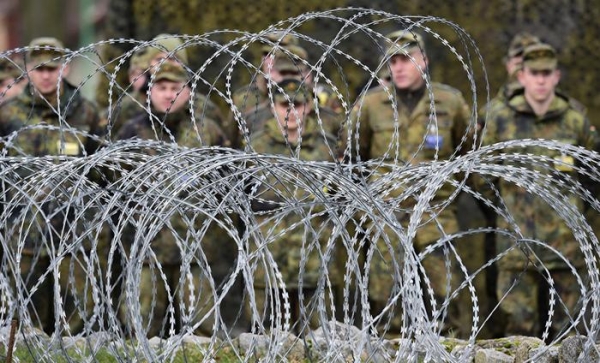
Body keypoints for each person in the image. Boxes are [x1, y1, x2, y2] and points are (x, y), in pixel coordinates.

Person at [347, 30, 472, 337]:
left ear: (424, 61)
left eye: (406, 59)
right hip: (385, 220)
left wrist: (447, 197)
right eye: (393, 60)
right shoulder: (371, 105)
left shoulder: (450, 103)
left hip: (435, 218)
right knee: (384, 308)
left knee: (441, 306)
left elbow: (468, 156)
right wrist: (367, 211)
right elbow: (351, 160)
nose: (399, 67)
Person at [482, 43, 595, 340]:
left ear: (557, 76)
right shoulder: (501, 119)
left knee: (569, 334)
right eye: (534, 73)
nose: (541, 80)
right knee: (519, 333)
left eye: (547, 73)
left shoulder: (574, 120)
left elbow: (592, 176)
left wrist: (575, 215)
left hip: (565, 246)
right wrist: (507, 208)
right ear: (522, 76)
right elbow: (483, 176)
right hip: (517, 244)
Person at [116, 60, 235, 338]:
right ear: (149, 92)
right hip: (146, 249)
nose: (169, 94)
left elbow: (227, 185)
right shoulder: (131, 133)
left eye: (176, 88)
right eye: (162, 87)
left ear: (189, 92)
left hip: (195, 248)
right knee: (139, 330)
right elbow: (115, 186)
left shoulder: (206, 132)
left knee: (203, 332)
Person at [0, 37, 105, 335]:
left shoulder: (86, 113)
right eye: (39, 68)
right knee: (28, 330)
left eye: (53, 67)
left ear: (66, 67)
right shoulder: (8, 115)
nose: (46, 75)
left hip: (74, 237)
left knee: (75, 330)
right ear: (27, 69)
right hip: (24, 237)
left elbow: (101, 172)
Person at [246, 78, 339, 335]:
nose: (290, 112)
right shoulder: (256, 146)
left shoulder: (326, 146)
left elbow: (339, 197)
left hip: (313, 257)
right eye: (283, 105)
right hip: (268, 259)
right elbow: (242, 198)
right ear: (272, 107)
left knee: (318, 338)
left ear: (308, 107)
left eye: (297, 105)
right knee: (264, 337)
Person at [107, 34, 227, 142]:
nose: (167, 65)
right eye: (160, 60)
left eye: (174, 59)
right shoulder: (128, 107)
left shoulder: (203, 107)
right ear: (148, 64)